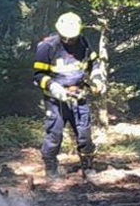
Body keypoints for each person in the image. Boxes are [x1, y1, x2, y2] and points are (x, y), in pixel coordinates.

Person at [33, 11, 107, 178]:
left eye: (72, 38)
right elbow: (38, 76)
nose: (69, 41)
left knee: (84, 134)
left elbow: (94, 64)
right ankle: (51, 169)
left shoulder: (83, 43)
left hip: (78, 96)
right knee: (55, 134)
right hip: (55, 100)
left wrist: (97, 80)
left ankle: (87, 167)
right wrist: (53, 86)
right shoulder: (47, 47)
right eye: (66, 37)